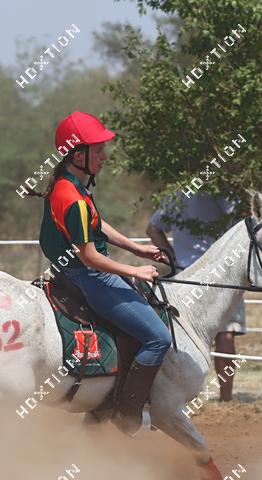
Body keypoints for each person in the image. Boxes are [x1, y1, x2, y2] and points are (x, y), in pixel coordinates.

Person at [32, 110, 170, 435]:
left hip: (70, 272)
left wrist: (135, 248)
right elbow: (90, 257)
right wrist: (133, 269)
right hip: (89, 277)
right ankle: (127, 413)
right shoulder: (74, 199)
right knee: (159, 338)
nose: (104, 156)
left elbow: (96, 224)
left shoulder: (67, 186)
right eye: (98, 150)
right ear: (78, 154)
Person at [147, 192, 245, 401]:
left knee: (182, 336)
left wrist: (173, 258)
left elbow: (153, 228)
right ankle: (225, 398)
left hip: (187, 276)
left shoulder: (179, 194)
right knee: (225, 335)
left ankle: (182, 394)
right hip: (223, 274)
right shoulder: (231, 192)